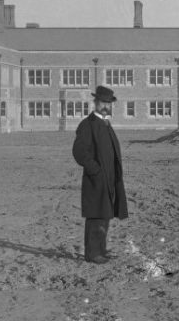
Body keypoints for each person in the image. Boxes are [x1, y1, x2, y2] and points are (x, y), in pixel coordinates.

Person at [72, 85, 128, 263]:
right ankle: (93, 253)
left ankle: (101, 250)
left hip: (110, 178)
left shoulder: (105, 123)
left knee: (105, 215)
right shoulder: (88, 124)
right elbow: (79, 152)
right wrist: (95, 170)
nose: (106, 106)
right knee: (96, 216)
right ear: (96, 103)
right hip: (96, 179)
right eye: (103, 102)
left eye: (108, 103)